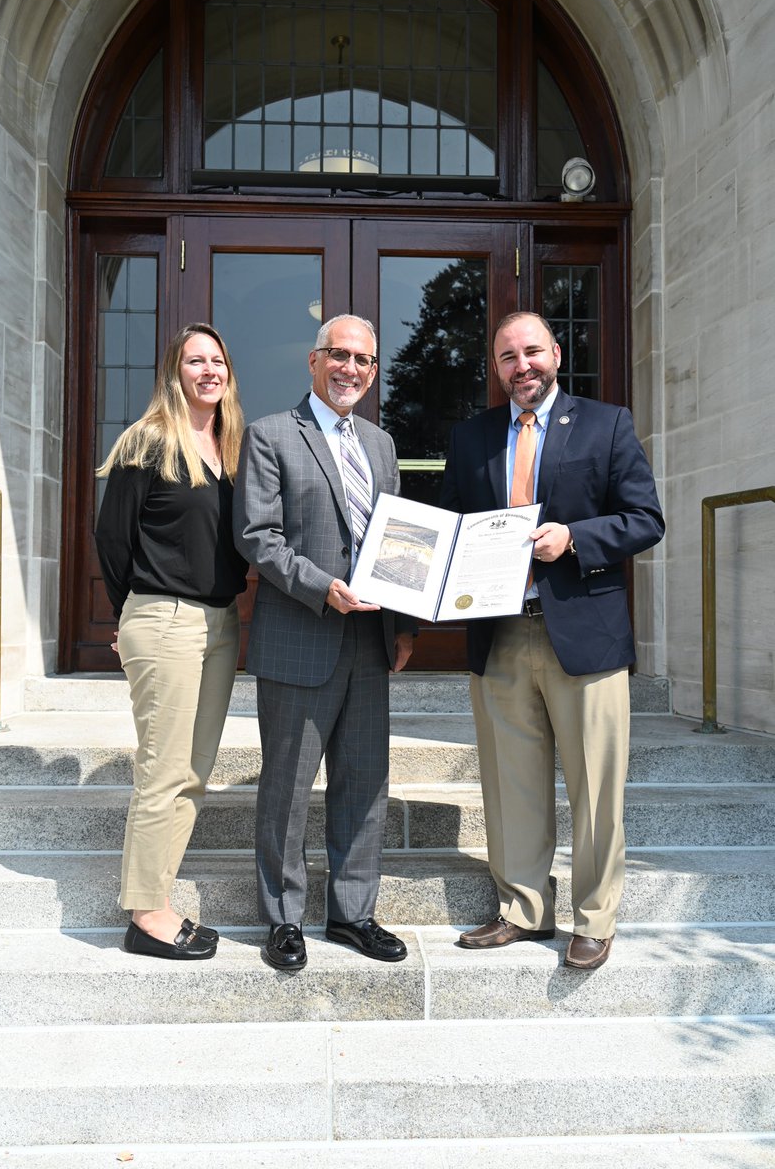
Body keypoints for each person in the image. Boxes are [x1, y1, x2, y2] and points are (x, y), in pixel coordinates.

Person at [440, 311, 664, 970]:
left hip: (584, 636)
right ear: (497, 368)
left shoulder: (607, 424)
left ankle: (595, 917)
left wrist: (576, 539)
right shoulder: (472, 436)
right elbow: (452, 532)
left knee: (596, 786)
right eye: (508, 356)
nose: (522, 365)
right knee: (513, 784)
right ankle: (523, 909)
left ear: (556, 354)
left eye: (532, 351)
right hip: (501, 636)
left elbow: (645, 519)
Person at [234, 314, 415, 972]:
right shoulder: (271, 435)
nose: (351, 369)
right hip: (301, 635)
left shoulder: (382, 442)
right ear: (314, 361)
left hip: (370, 640)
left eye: (364, 360)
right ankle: (283, 918)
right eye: (339, 355)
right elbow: (258, 536)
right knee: (286, 787)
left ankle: (352, 913)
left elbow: (399, 545)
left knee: (364, 783)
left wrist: (405, 627)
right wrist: (324, 587)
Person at [95, 322, 248, 961]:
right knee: (163, 769)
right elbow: (112, 540)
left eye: (217, 359)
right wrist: (132, 617)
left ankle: (157, 898)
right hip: (166, 620)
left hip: (220, 624)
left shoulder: (231, 445)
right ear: (174, 371)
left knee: (193, 771)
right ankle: (146, 913)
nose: (208, 370)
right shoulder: (149, 441)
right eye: (195, 360)